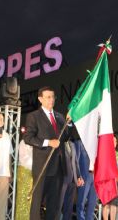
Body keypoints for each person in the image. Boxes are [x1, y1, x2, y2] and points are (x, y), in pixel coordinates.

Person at [23, 86, 68, 220]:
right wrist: (48, 142)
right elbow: (28, 138)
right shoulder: (34, 116)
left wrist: (69, 124)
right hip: (43, 166)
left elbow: (65, 137)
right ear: (40, 99)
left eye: (53, 97)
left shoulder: (59, 116)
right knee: (37, 204)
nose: (51, 100)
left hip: (59, 166)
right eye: (48, 97)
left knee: (54, 205)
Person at [103, 135, 118, 220]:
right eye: (111, 141)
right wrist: (112, 178)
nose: (113, 142)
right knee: (107, 204)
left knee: (114, 204)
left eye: (115, 141)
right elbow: (103, 169)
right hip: (108, 182)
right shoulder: (104, 153)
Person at [74, 136, 98, 220]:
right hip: (84, 176)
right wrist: (78, 176)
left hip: (95, 176)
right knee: (81, 202)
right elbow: (75, 161)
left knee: (92, 203)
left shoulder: (97, 144)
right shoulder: (79, 143)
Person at [60, 140, 84, 220]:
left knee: (69, 208)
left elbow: (76, 162)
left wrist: (79, 176)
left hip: (72, 180)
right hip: (62, 179)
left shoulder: (72, 144)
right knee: (58, 206)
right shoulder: (58, 142)